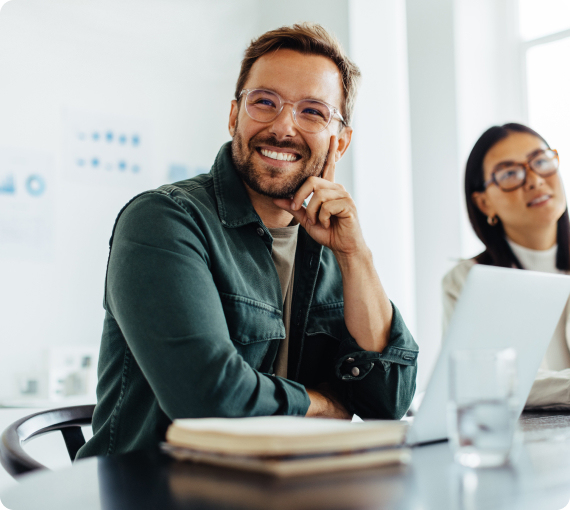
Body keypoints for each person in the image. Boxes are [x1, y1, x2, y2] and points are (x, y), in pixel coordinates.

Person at [77, 23, 418, 458]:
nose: (283, 127)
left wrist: (355, 255)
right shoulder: (163, 221)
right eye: (265, 103)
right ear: (235, 115)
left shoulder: (333, 243)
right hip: (156, 491)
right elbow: (209, 399)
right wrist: (326, 404)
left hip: (286, 487)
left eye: (312, 111)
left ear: (341, 141)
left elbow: (389, 400)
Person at [442, 122, 570, 409]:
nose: (535, 180)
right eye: (510, 173)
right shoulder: (466, 281)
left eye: (540, 161)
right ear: (484, 203)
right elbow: (487, 383)